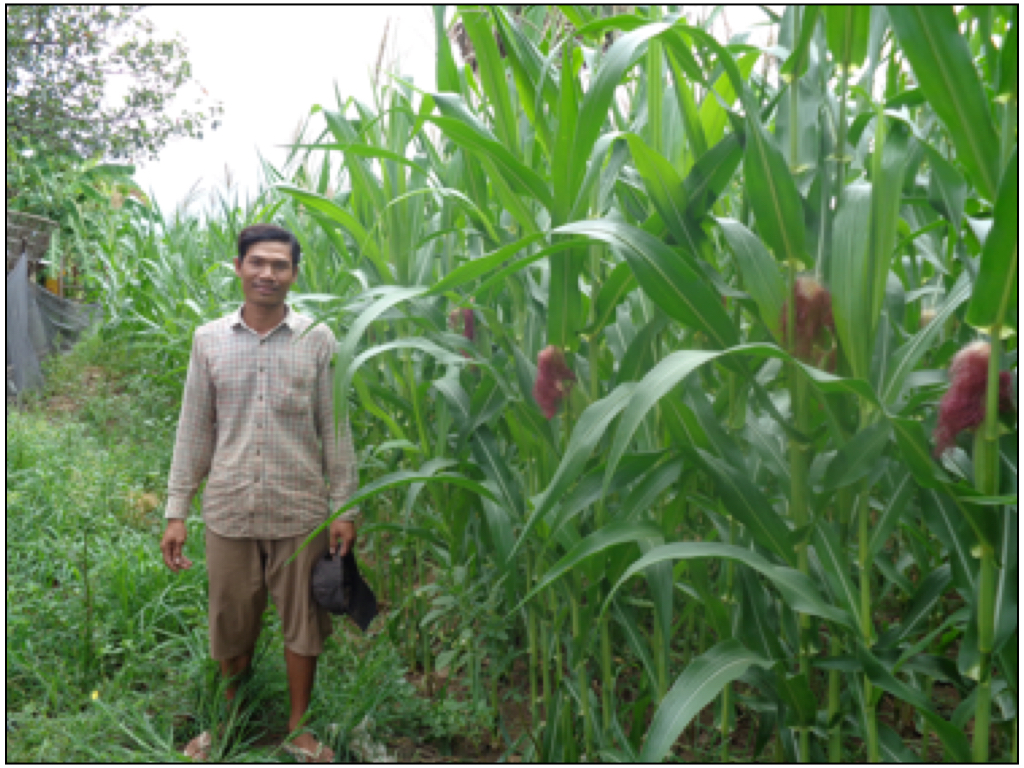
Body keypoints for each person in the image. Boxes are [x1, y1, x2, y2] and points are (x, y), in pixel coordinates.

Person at [160, 223, 359, 763]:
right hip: (229, 509)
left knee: (304, 623)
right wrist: (177, 510)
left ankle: (300, 729)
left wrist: (345, 508)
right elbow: (194, 429)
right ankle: (229, 725)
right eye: (258, 263)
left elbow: (335, 429)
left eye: (280, 265)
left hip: (301, 510)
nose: (268, 274)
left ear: (294, 274)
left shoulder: (318, 339)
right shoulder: (209, 340)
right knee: (231, 621)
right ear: (239, 267)